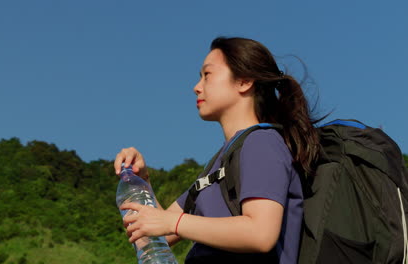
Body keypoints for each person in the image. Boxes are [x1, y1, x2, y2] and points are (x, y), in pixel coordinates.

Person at [114, 37, 320, 264]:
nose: (196, 87)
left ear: (244, 81)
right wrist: (141, 181)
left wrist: (175, 223)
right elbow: (154, 236)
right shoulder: (219, 164)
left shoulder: (262, 143)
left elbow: (260, 233)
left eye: (207, 75)